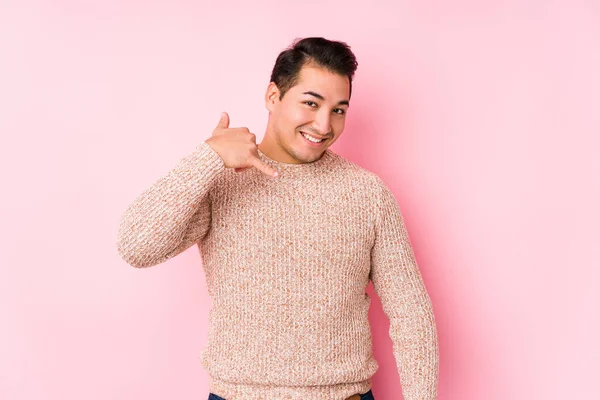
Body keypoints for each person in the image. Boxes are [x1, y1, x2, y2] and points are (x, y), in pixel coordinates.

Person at [116, 37, 439, 400]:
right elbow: (135, 247)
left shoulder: (368, 194)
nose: (323, 124)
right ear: (273, 96)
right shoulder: (221, 181)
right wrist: (207, 158)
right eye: (311, 103)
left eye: (338, 110)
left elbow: (412, 316)